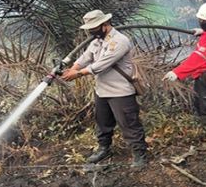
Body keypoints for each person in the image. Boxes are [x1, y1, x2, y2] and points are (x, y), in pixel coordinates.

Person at [62, 10, 148, 168]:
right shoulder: (96, 41)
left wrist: (78, 74)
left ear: (105, 24)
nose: (90, 32)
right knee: (103, 123)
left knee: (129, 124)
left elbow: (102, 65)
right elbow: (85, 58)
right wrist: (72, 69)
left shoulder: (120, 41)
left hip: (120, 92)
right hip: (101, 90)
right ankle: (104, 148)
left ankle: (139, 154)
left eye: (93, 28)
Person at [163, 1, 206, 150]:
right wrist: (202, 32)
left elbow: (197, 58)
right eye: (201, 20)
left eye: (204, 21)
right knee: (199, 103)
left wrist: (176, 72)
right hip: (202, 74)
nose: (202, 22)